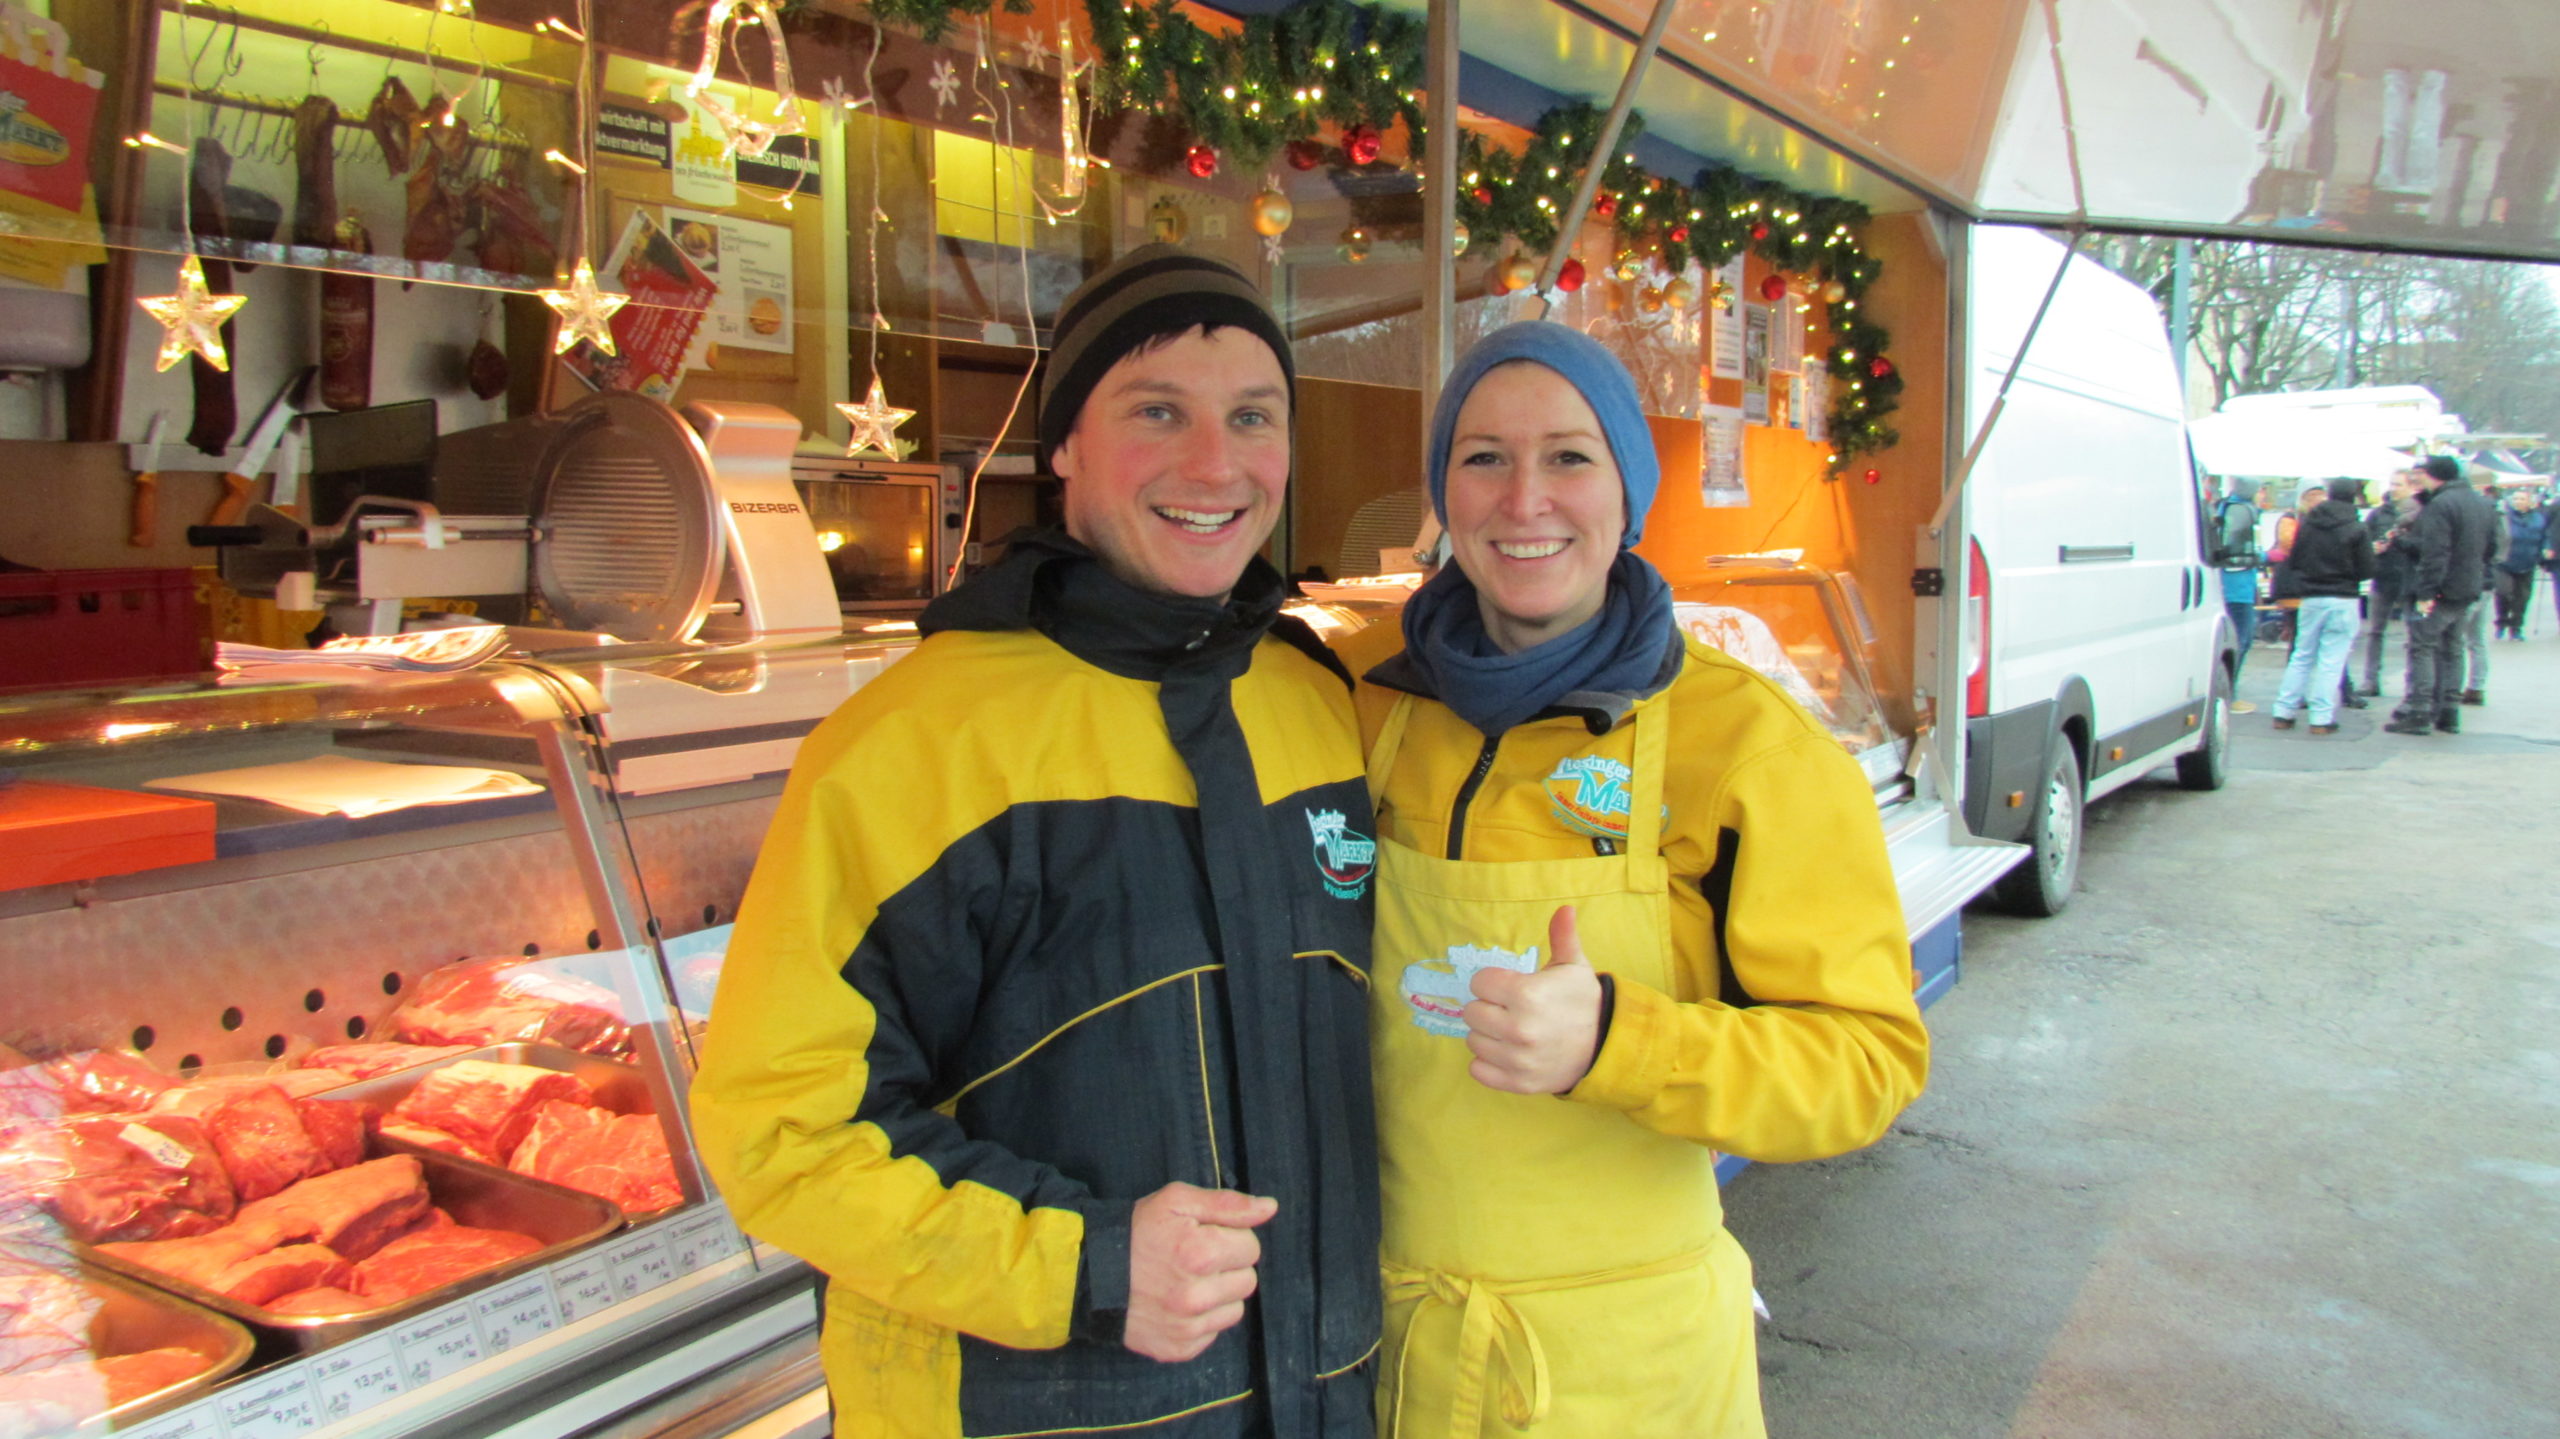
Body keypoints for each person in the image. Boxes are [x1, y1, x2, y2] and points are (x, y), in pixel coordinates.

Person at [690, 246, 1382, 1437]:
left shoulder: (1320, 704)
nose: (1214, 464)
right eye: (1156, 411)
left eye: (1251, 416)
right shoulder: (914, 741)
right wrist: (1086, 1262)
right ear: (1062, 444)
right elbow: (779, 1130)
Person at [1342, 323, 1928, 1437]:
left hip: (1629, 1367)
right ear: (1441, 490)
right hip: (1388, 1342)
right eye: (1482, 456)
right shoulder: (1356, 692)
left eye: (1570, 456)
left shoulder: (1747, 746)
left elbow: (1867, 1061)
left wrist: (1621, 1040)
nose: (1524, 500)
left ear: (1630, 493)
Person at [2383, 456, 2499, 736]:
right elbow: (2491, 548)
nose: (2419, 479)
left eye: (2423, 473)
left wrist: (2426, 592)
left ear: (2433, 475)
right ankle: (2449, 711)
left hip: (2442, 587)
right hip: (2469, 585)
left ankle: (2420, 711)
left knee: (2422, 646)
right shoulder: (2481, 503)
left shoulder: (2441, 504)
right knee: (2452, 647)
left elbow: (2435, 552)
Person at [2269, 479, 2375, 735]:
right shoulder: (2356, 527)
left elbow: (2294, 560)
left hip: (2311, 596)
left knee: (2302, 655)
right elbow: (2367, 569)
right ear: (2353, 497)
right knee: (2332, 659)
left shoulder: (2309, 524)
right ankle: (2321, 717)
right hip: (2343, 597)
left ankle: (2283, 711)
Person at [2356, 468, 2422, 695]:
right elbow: (2364, 541)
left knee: (2414, 634)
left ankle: (2412, 682)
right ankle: (2371, 680)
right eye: (2392, 484)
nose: (2394, 489)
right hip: (2383, 577)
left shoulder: (2420, 512)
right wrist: (2372, 548)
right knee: (2375, 631)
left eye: (2398, 484)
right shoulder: (2378, 514)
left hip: (2410, 578)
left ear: (2411, 487)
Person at [2209, 476, 2263, 711]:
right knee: (2241, 640)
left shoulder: (2228, 508)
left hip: (2234, 585)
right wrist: (2268, 556)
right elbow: (2242, 550)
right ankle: (2230, 695)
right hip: (2237, 587)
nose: (2261, 493)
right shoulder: (2241, 512)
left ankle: (2228, 693)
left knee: (2238, 640)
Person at [2491, 487, 2547, 638]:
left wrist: (2545, 549)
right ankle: (2502, 622)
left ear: (2530, 502)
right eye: (2515, 499)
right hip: (2504, 562)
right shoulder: (2503, 517)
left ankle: (2516, 627)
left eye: (2522, 499)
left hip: (2528, 562)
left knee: (2522, 597)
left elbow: (2544, 536)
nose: (2518, 502)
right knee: (2503, 592)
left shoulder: (2539, 518)